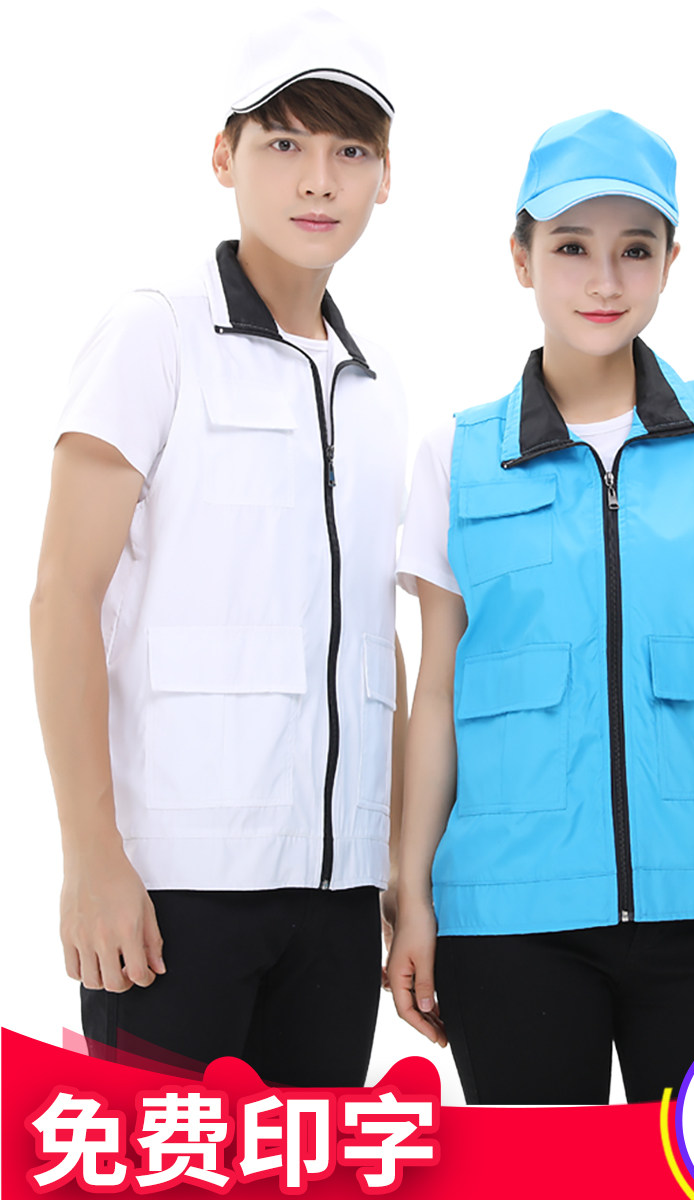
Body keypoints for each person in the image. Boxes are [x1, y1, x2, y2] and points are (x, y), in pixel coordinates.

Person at [387, 109, 694, 1104]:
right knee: (540, 1178)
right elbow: (436, 695)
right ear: (522, 260)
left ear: (669, 262)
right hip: (508, 918)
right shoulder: (459, 457)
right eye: (572, 247)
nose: (605, 280)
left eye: (635, 250)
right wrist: (412, 898)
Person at [30, 11, 407, 1088]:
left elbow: (374, 639)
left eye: (350, 150)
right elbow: (63, 599)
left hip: (339, 903)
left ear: (385, 177)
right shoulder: (156, 334)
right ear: (223, 156)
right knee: (166, 1163)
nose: (318, 179)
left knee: (314, 1166)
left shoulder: (377, 392)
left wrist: (399, 876)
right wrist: (92, 857)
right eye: (283, 143)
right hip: (173, 893)